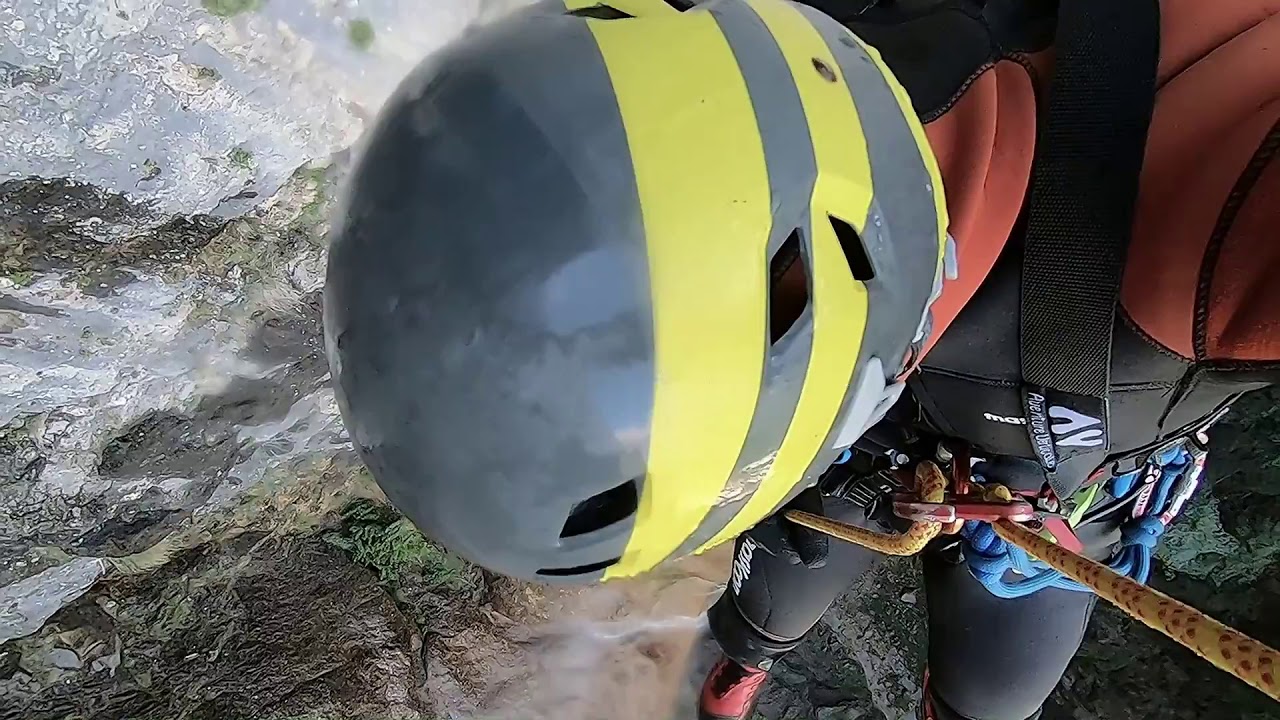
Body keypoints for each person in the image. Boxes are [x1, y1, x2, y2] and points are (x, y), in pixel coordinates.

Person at [322, 1, 1280, 719]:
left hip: (1040, 503)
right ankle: (736, 671)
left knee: (983, 700)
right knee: (767, 620)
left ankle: (738, 666)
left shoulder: (1207, 222)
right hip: (989, 467)